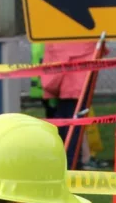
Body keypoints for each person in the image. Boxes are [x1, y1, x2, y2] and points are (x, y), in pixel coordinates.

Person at [42, 40, 98, 169]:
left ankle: (68, 162)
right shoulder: (83, 41)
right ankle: (71, 162)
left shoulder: (60, 40)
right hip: (78, 84)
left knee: (67, 125)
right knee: (72, 126)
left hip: (65, 85)